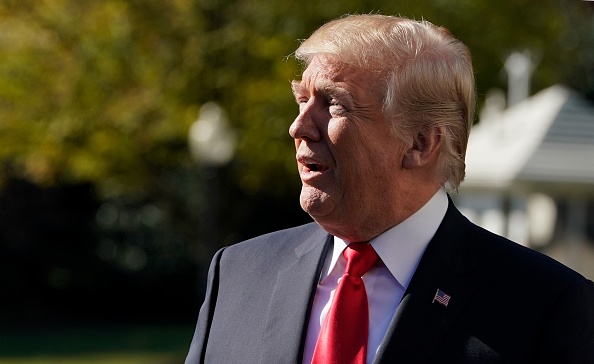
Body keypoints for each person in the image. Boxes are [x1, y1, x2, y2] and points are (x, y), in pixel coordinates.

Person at [185, 14, 594, 364]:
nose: (298, 126)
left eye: (333, 103)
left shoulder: (548, 307)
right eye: (302, 99)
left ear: (420, 144)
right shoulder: (238, 274)